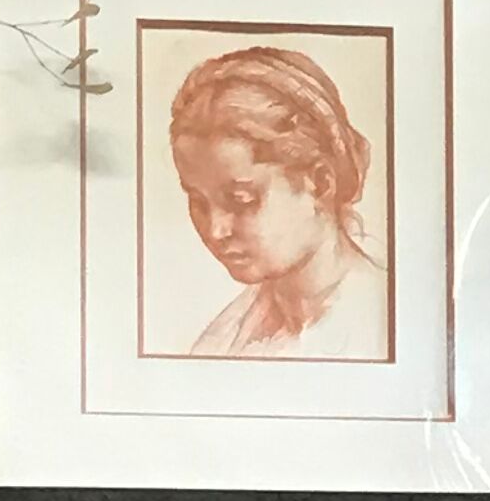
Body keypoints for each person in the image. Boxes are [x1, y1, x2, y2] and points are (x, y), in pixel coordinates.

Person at [165, 44, 390, 358]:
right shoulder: (222, 340)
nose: (216, 230)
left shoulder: (383, 322)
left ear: (321, 183)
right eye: (198, 201)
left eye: (242, 200)